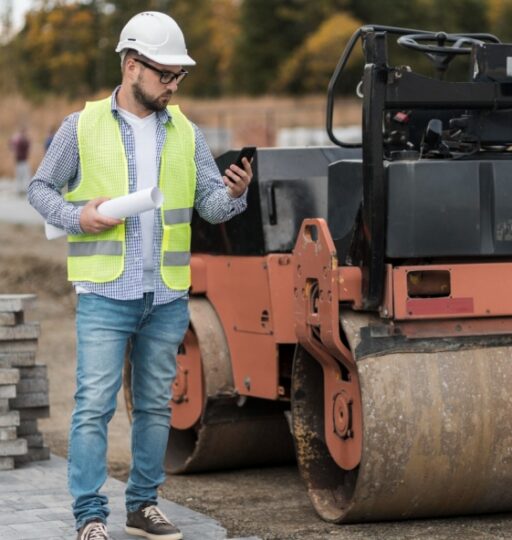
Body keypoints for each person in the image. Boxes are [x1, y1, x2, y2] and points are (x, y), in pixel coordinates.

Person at [27, 11, 252, 540]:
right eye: (165, 74)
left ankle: (142, 505)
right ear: (132, 66)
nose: (174, 85)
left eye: (180, 77)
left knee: (154, 406)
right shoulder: (81, 126)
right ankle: (89, 515)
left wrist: (235, 195)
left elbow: (210, 208)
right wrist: (78, 216)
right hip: (106, 292)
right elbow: (40, 189)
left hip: (166, 296)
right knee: (93, 407)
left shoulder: (187, 133)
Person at [9, 126, 30, 193]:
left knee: (19, 176)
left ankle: (19, 189)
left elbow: (11, 145)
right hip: (22, 160)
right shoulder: (21, 140)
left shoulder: (16, 139)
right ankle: (24, 189)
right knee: (25, 176)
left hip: (19, 160)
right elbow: (27, 146)